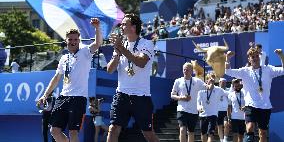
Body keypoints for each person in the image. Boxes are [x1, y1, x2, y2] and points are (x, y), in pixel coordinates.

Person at [37, 18, 103, 142]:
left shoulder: (85, 52)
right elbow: (57, 78)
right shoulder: (64, 58)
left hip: (78, 98)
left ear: (79, 40)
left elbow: (98, 43)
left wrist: (97, 28)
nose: (73, 42)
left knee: (73, 132)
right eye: (70, 39)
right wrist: (45, 95)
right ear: (66, 41)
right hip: (63, 97)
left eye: (75, 40)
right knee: (54, 131)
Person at [106, 13, 160, 142]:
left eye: (125, 24)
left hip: (141, 96)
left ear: (134, 27)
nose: (122, 26)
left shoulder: (147, 43)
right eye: (122, 24)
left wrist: (120, 48)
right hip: (121, 95)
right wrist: (118, 53)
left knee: (148, 134)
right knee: (113, 128)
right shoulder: (120, 45)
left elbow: (141, 62)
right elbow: (110, 70)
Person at [225, 47, 284, 142]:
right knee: (249, 127)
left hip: (265, 106)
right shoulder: (244, 71)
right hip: (250, 105)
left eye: (257, 56)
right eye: (253, 57)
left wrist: (281, 56)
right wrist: (227, 58)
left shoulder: (268, 69)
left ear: (259, 57)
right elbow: (228, 71)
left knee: (263, 133)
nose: (255, 58)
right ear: (249, 59)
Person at [171, 62, 206, 142]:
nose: (185, 71)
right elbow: (172, 95)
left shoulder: (197, 81)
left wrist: (211, 83)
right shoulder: (178, 81)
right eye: (184, 70)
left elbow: (207, 87)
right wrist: (181, 98)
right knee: (182, 129)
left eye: (187, 70)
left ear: (192, 71)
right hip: (182, 110)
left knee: (191, 132)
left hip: (193, 111)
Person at [197, 73, 226, 142]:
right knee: (203, 133)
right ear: (206, 80)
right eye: (210, 78)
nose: (212, 80)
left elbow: (230, 95)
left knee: (211, 133)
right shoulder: (201, 91)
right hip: (203, 115)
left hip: (213, 115)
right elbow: (198, 103)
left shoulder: (219, 90)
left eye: (213, 78)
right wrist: (199, 108)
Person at [216, 78, 230, 142]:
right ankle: (221, 140)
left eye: (224, 82)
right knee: (219, 126)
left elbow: (230, 96)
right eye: (222, 82)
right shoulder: (216, 90)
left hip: (226, 110)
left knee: (226, 124)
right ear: (219, 83)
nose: (223, 83)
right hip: (218, 111)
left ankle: (225, 139)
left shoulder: (228, 90)